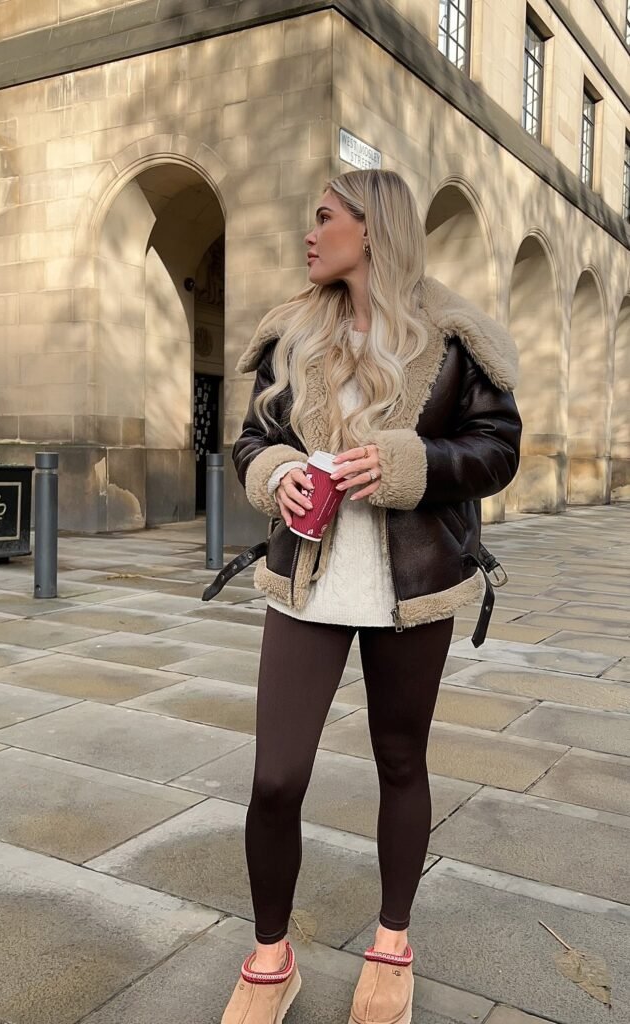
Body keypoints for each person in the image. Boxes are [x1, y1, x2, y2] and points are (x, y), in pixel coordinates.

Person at [221, 169, 522, 1024]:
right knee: (275, 779)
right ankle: (270, 958)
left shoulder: (454, 337)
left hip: (412, 587)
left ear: (372, 226)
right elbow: (251, 439)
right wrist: (275, 473)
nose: (309, 235)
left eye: (323, 218)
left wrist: (402, 464)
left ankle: (392, 942)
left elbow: (496, 449)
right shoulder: (290, 333)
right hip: (305, 582)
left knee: (400, 762)